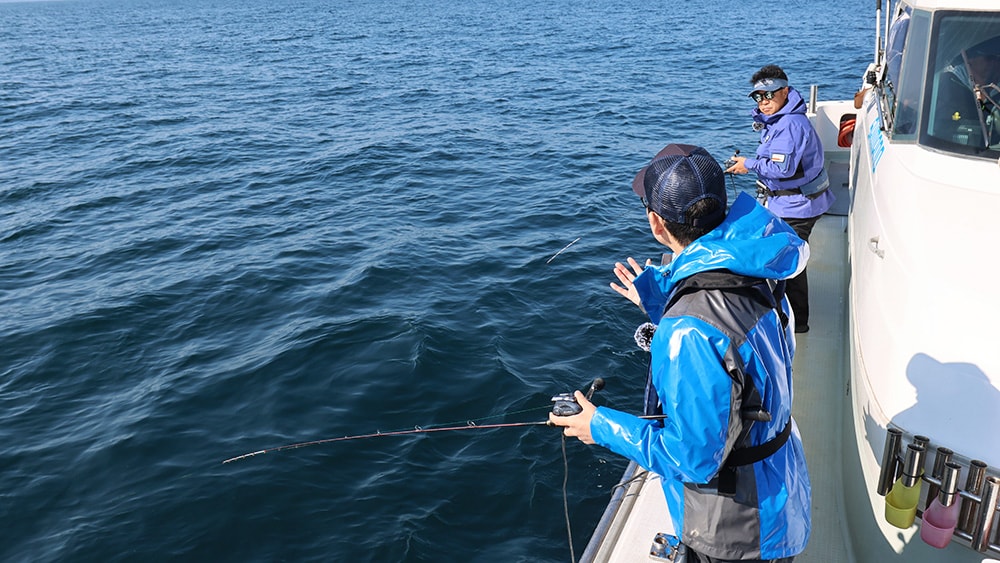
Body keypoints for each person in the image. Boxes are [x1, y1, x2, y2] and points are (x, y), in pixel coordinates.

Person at [551, 143, 811, 563]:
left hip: (738, 531)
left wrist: (598, 426)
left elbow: (694, 458)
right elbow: (744, 350)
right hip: (780, 493)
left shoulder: (688, 331)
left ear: (656, 223)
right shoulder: (762, 266)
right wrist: (668, 301)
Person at [725, 65, 833, 334]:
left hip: (798, 207)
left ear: (784, 91)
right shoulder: (780, 119)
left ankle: (798, 324)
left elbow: (782, 169)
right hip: (790, 202)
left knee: (790, 264)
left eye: (769, 94)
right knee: (787, 256)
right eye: (758, 96)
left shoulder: (790, 125)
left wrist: (748, 164)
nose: (763, 101)